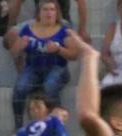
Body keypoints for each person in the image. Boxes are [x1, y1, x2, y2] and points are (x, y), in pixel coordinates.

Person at [11, 0, 80, 129]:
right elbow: (14, 52)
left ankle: (54, 125)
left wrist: (59, 50)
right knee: (20, 88)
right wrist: (19, 47)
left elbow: (75, 54)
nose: (48, 13)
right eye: (45, 9)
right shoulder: (28, 30)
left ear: (57, 13)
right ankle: (18, 126)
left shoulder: (63, 31)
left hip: (58, 67)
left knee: (49, 87)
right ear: (39, 13)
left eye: (52, 10)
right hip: (33, 68)